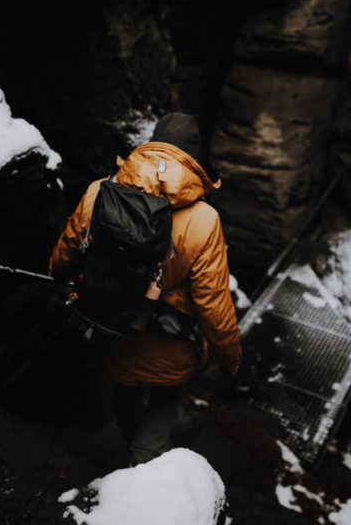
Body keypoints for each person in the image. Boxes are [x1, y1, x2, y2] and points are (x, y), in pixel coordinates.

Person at [49, 112, 242, 463]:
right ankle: (143, 465)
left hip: (112, 334)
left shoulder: (100, 191)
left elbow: (63, 260)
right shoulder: (204, 220)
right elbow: (213, 304)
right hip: (172, 349)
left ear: (152, 144)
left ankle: (128, 442)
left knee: (125, 387)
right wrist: (229, 359)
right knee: (163, 405)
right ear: (194, 157)